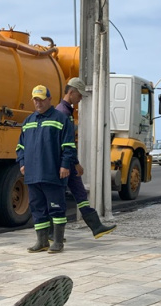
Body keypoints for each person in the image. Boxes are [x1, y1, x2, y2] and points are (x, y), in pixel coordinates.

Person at [16, 85, 76, 253]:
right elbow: (20, 146)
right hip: (32, 174)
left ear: (49, 99)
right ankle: (42, 242)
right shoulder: (28, 121)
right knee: (37, 208)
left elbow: (69, 145)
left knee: (56, 207)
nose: (38, 102)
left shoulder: (61, 119)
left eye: (41, 99)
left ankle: (57, 242)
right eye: (35, 99)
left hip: (53, 173)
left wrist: (65, 165)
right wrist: (21, 163)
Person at [55, 77, 117, 239]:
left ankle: (96, 227)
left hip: (67, 163)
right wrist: (75, 163)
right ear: (71, 92)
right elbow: (66, 143)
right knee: (58, 200)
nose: (81, 98)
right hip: (64, 164)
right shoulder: (62, 112)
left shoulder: (65, 111)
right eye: (79, 95)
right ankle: (53, 235)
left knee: (80, 194)